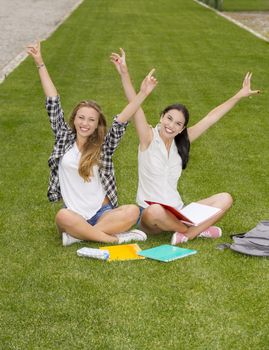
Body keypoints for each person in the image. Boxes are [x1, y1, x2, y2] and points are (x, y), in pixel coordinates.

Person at [111, 48, 260, 245]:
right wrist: (124, 73)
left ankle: (188, 233)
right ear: (162, 117)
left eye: (178, 123)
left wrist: (238, 96)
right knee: (155, 209)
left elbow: (211, 118)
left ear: (182, 129)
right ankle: (194, 230)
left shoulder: (182, 141)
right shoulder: (148, 137)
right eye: (169, 118)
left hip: (179, 212)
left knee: (225, 198)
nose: (171, 125)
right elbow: (134, 105)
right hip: (150, 216)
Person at [27, 42, 158, 246]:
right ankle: (112, 239)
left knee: (132, 211)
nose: (85, 123)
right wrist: (39, 62)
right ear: (74, 119)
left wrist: (142, 93)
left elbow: (122, 119)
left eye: (91, 120)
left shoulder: (104, 146)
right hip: (74, 216)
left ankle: (79, 235)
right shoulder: (63, 137)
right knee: (62, 216)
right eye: (81, 117)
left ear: (98, 124)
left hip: (103, 213)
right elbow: (52, 100)